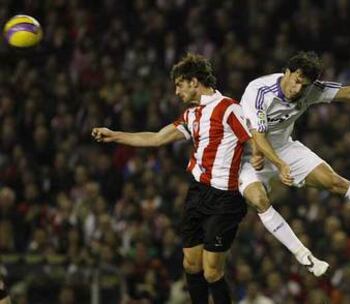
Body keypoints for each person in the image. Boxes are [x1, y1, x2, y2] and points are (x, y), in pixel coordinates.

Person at [92, 53, 252, 304]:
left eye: (179, 84)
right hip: (198, 193)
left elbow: (252, 139)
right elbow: (156, 138)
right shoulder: (192, 115)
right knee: (190, 264)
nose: (176, 92)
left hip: (225, 199)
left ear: (194, 82)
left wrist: (264, 161)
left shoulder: (229, 108)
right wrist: (115, 135)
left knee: (212, 271)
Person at [238, 51, 350, 270]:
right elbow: (258, 137)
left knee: (335, 182)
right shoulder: (259, 91)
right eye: (297, 82)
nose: (298, 90)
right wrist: (280, 165)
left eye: (305, 86)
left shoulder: (309, 90)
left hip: (283, 147)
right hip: (246, 155)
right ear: (288, 72)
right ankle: (305, 256)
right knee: (258, 200)